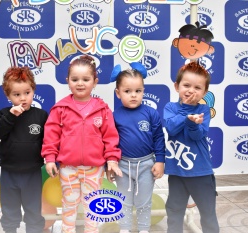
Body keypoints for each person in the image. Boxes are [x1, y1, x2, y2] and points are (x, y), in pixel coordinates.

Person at [41, 54, 122, 233]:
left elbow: (110, 137)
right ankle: (67, 230)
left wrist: (112, 160)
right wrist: (49, 158)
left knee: (92, 204)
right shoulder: (60, 108)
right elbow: (51, 135)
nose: (80, 83)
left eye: (86, 79)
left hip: (94, 168)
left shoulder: (102, 109)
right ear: (67, 81)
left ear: (95, 82)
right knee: (69, 203)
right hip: (67, 167)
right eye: (75, 79)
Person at [0, 66, 48, 233]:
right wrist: (10, 116)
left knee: (33, 210)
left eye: (27, 93)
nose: (23, 98)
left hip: (33, 173)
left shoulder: (41, 115)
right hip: (9, 173)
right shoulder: (4, 114)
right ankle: (9, 230)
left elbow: (49, 141)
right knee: (9, 210)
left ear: (33, 90)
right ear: (8, 96)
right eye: (17, 95)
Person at [163, 61, 219, 233]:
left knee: (208, 213)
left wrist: (193, 124)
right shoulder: (170, 107)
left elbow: (197, 136)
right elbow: (171, 128)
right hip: (177, 172)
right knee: (174, 211)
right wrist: (186, 112)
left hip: (201, 172)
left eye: (197, 87)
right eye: (186, 85)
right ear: (176, 86)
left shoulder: (204, 109)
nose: (191, 90)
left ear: (204, 92)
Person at [110, 62, 165, 233]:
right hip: (122, 166)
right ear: (118, 93)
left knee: (144, 200)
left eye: (138, 91)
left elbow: (158, 138)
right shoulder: (114, 116)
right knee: (124, 200)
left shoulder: (151, 113)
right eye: (127, 91)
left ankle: (143, 229)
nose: (133, 95)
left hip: (147, 164)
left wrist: (160, 161)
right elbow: (110, 142)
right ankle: (124, 229)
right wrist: (110, 163)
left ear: (143, 91)